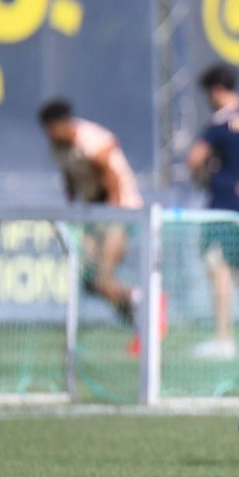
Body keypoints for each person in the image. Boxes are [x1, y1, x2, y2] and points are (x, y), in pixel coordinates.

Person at [37, 98, 142, 326]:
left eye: (50, 129)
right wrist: (76, 211)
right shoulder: (58, 147)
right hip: (93, 211)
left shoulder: (91, 141)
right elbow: (70, 179)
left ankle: (143, 303)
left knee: (102, 277)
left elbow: (112, 181)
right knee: (89, 281)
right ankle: (133, 304)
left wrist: (109, 219)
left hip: (118, 210)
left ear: (61, 125)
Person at [186, 64, 239, 360]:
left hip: (222, 203)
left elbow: (194, 160)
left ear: (215, 90)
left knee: (218, 270)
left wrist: (202, 177)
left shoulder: (219, 124)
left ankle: (224, 339)